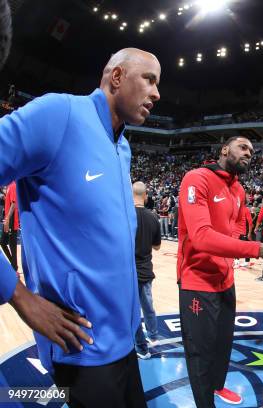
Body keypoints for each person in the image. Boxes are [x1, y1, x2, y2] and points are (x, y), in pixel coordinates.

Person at [0, 47, 161, 407]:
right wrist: (17, 293)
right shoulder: (58, 114)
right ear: (116, 77)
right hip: (81, 348)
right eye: (149, 79)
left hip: (123, 340)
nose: (157, 93)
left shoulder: (123, 147)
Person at [177, 136, 263, 407]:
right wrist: (259, 250)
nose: (249, 153)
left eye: (252, 151)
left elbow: (238, 228)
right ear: (224, 149)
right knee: (200, 354)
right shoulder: (197, 178)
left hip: (225, 279)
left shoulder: (239, 190)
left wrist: (253, 250)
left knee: (222, 344)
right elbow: (202, 236)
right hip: (198, 281)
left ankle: (217, 387)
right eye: (243, 147)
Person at [132, 181, 162, 360]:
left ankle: (142, 348)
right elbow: (157, 246)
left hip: (128, 273)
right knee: (148, 307)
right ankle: (153, 335)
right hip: (146, 270)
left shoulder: (124, 216)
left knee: (133, 312)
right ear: (146, 196)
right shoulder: (153, 217)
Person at [1, 180, 18, 272]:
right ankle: (13, 264)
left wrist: (7, 219)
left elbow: (14, 204)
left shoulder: (13, 186)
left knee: (12, 246)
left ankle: (14, 267)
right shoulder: (9, 186)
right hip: (8, 219)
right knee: (3, 242)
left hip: (11, 220)